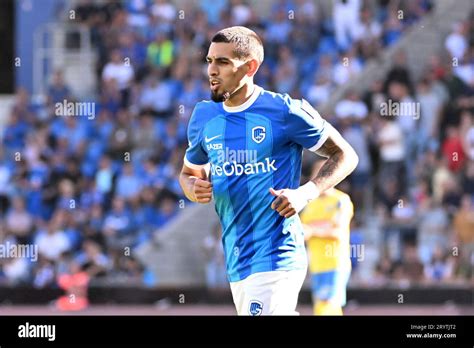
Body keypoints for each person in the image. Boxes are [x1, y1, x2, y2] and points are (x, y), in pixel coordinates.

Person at [179, 26, 358, 315]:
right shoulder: (204, 116)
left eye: (223, 62)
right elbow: (189, 173)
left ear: (250, 67)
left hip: (277, 254)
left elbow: (345, 155)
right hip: (238, 260)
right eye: (209, 61)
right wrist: (191, 187)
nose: (212, 70)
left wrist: (305, 194)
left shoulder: (285, 112)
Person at [300, 165, 354, 315]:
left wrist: (313, 230)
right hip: (316, 264)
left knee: (327, 305)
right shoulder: (310, 204)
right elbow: (301, 229)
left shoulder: (340, 200)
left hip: (334, 262)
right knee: (323, 307)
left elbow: (338, 231)